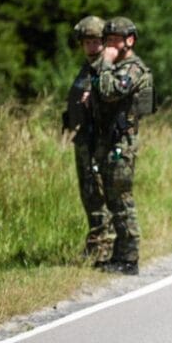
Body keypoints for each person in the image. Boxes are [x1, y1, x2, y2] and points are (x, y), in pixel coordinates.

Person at [90, 17, 155, 276]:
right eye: (107, 40)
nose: (109, 45)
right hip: (110, 141)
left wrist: (104, 62)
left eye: (114, 39)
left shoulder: (132, 69)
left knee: (122, 199)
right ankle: (119, 254)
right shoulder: (118, 67)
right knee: (113, 200)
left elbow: (109, 92)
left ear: (129, 40)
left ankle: (130, 258)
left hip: (122, 144)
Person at [63, 15, 114, 260]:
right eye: (87, 42)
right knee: (88, 191)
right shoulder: (88, 68)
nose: (91, 46)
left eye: (96, 41)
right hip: (83, 140)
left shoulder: (106, 68)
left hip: (98, 141)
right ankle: (98, 241)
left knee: (97, 191)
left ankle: (103, 245)